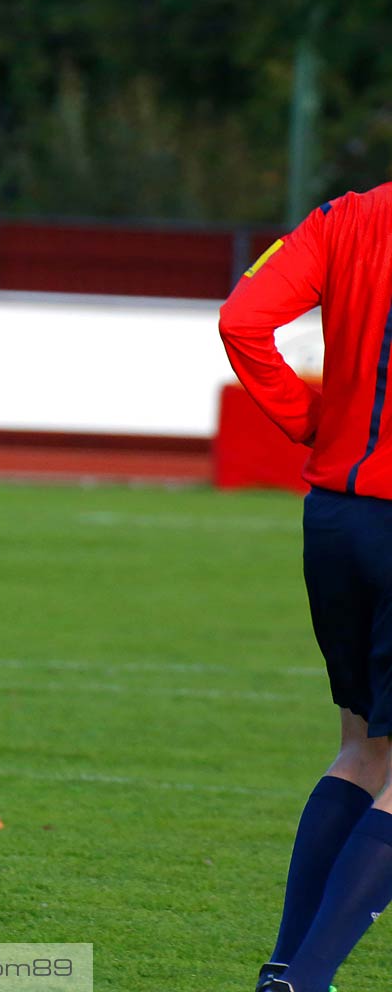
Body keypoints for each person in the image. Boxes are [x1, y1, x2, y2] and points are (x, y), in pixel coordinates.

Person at [221, 185, 392, 991]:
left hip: (335, 519)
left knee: (362, 748)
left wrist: (309, 420)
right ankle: (305, 981)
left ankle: (285, 968)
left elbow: (242, 320)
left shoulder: (343, 218)